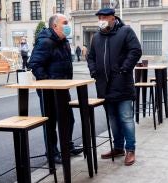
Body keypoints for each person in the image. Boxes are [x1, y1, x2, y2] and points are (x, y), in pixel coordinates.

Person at [87, 8, 142, 166]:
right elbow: (91, 57)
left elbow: (136, 50)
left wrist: (125, 68)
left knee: (125, 118)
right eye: (99, 18)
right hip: (104, 86)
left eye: (104, 17)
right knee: (112, 119)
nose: (101, 20)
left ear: (113, 18)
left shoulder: (125, 31)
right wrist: (93, 71)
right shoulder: (96, 37)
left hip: (122, 84)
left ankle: (130, 149)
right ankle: (118, 147)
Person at [28, 14, 83, 164]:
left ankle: (67, 146)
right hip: (49, 90)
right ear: (55, 26)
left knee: (68, 119)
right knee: (51, 122)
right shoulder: (45, 42)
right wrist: (47, 82)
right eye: (65, 23)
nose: (68, 25)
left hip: (62, 88)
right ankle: (52, 153)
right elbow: (34, 64)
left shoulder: (63, 41)